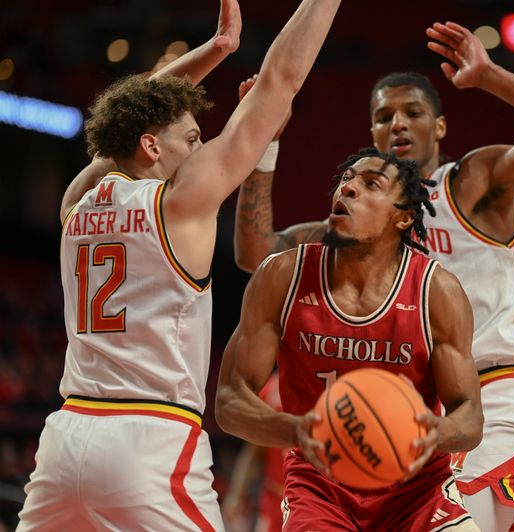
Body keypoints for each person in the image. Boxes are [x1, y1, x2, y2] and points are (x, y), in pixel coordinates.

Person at [233, 20, 514, 531]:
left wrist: (492, 77)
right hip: (409, 405)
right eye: (384, 116)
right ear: (371, 133)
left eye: (413, 112)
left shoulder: (473, 183)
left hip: (492, 396)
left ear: (440, 126)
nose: (398, 125)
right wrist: (264, 145)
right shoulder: (355, 226)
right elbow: (256, 253)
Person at [17, 0, 343, 529]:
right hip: (149, 439)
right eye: (190, 139)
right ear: (151, 146)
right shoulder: (179, 202)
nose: (199, 150)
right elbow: (280, 80)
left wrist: (216, 50)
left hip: (66, 437)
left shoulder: (77, 201)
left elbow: (127, 121)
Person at [215, 147, 484, 531]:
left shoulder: (436, 291)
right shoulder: (282, 276)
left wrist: (436, 432)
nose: (349, 188)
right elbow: (228, 400)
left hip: (417, 491)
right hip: (320, 489)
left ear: (404, 217)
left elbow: (470, 417)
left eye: (371, 183)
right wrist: (298, 431)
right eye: (346, 179)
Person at [222, 375, 287, 532]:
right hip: (273, 499)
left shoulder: (323, 388)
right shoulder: (270, 390)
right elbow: (254, 450)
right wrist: (236, 493)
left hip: (308, 499)